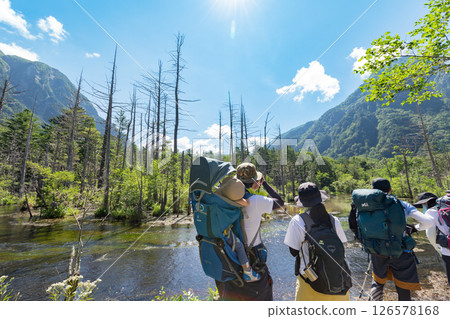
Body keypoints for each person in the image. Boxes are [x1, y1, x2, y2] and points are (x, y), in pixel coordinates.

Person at [221, 162, 284, 301]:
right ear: (255, 181)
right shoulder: (256, 201)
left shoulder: (225, 197)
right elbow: (280, 202)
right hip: (253, 257)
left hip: (230, 255)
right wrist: (265, 184)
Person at [367, 178, 433, 301]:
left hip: (377, 250)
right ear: (390, 190)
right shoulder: (401, 204)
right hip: (401, 251)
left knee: (378, 283)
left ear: (372, 190)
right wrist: (415, 228)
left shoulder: (367, 205)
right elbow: (428, 222)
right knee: (403, 287)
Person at [284, 182, 351, 301]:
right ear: (320, 198)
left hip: (310, 282)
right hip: (338, 281)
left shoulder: (297, 221)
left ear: (302, 203)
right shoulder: (333, 220)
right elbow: (341, 246)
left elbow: (293, 252)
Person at [216, 177, 260, 282]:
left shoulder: (216, 198)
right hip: (223, 232)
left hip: (214, 229)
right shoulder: (228, 206)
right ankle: (248, 272)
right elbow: (246, 205)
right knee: (239, 246)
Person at [417, 191, 450, 285]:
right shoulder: (444, 208)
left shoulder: (432, 212)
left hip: (448, 252)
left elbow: (430, 234)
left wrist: (438, 249)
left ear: (425, 203)